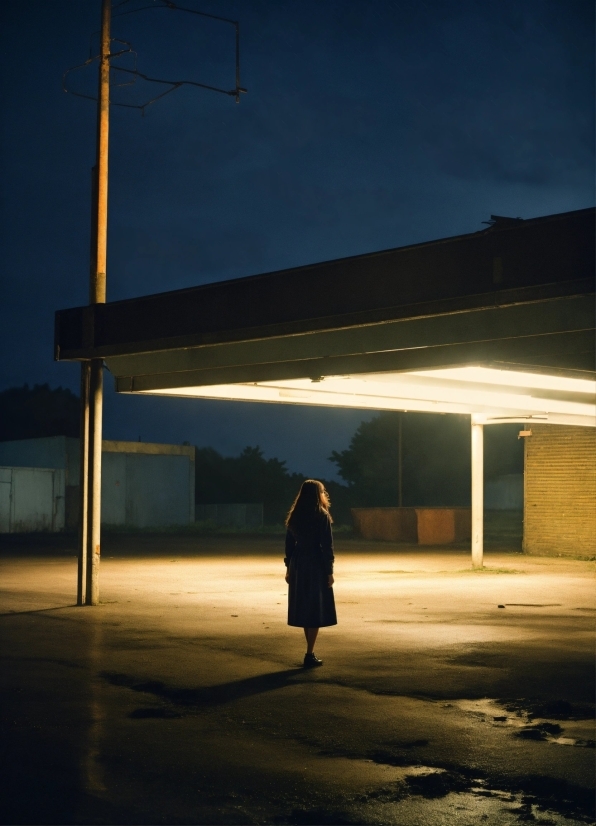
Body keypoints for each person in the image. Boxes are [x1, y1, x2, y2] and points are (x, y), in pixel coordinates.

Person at [284, 479, 337, 668]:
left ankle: (310, 651)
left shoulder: (295, 516)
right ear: (318, 494)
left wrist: (289, 568)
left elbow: (289, 545)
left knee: (305, 605)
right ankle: (309, 652)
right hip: (315, 563)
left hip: (299, 563)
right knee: (315, 608)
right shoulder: (321, 515)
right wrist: (329, 571)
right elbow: (327, 546)